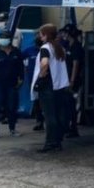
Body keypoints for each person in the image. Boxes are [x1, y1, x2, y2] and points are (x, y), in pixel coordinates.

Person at [31, 23, 70, 153]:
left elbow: (45, 63)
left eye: (41, 34)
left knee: (49, 116)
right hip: (59, 86)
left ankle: (50, 142)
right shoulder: (59, 47)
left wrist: (41, 74)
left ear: (45, 35)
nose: (39, 36)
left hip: (48, 86)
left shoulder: (45, 48)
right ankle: (58, 141)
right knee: (59, 115)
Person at [0, 34, 25, 138]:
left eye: (6, 38)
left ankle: (12, 129)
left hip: (12, 84)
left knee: (12, 106)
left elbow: (21, 67)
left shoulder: (16, 52)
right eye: (2, 38)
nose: (4, 40)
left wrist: (21, 79)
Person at [60, 25, 84, 138]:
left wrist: (72, 81)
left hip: (73, 79)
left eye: (65, 33)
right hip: (66, 77)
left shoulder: (76, 47)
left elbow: (75, 64)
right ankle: (67, 126)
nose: (63, 35)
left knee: (71, 104)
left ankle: (73, 127)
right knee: (66, 104)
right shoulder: (67, 45)